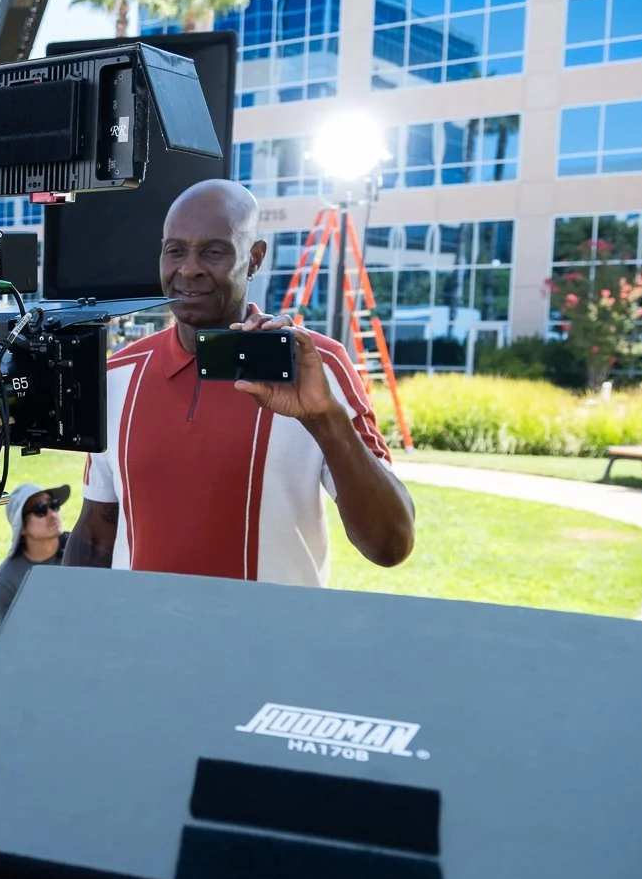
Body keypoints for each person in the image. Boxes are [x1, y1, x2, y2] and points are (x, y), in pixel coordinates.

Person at [65, 179, 415, 583]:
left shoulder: (314, 365)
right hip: (145, 642)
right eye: (175, 250)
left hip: (272, 644)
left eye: (214, 251)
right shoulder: (117, 376)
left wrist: (325, 420)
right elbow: (95, 533)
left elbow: (391, 545)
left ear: (254, 259)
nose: (189, 268)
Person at [0, 481, 71, 619]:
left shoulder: (81, 549)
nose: (52, 514)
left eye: (54, 505)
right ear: (22, 527)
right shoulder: (6, 580)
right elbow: (9, 637)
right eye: (40, 510)